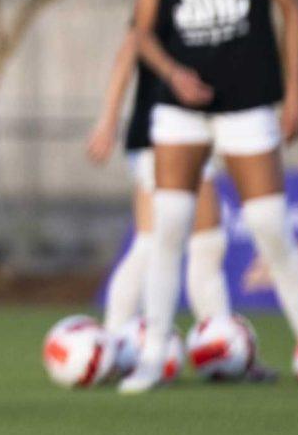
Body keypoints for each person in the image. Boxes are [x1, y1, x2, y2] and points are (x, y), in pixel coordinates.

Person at [119, 0, 298, 392]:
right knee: (170, 227)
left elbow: (292, 7)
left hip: (247, 98)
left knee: (268, 225)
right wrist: (173, 74)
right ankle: (154, 354)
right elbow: (142, 30)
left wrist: (297, 91)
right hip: (181, 108)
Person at [85, 31, 227, 376]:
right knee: (203, 242)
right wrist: (107, 121)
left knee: (151, 243)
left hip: (184, 130)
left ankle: (113, 342)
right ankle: (222, 348)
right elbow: (131, 45)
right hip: (167, 131)